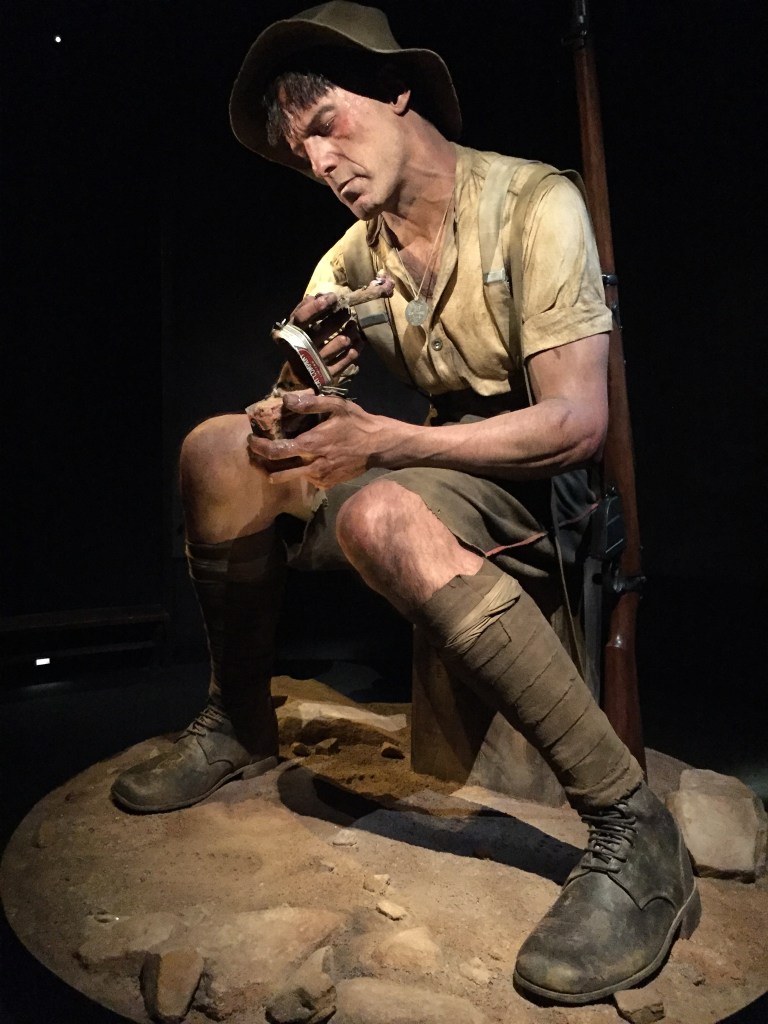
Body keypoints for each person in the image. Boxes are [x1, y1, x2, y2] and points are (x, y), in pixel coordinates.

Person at [112, 1, 700, 1006]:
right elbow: (303, 401)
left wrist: (383, 442)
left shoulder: (533, 203)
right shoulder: (354, 255)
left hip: (537, 486)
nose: (321, 163)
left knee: (378, 512)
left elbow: (576, 424)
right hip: (433, 465)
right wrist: (296, 395)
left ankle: (632, 828)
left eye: (328, 124)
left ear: (397, 91)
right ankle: (238, 720)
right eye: (301, 153)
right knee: (215, 451)